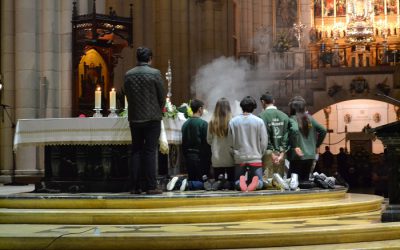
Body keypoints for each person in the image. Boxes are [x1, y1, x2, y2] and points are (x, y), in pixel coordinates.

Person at [123, 47, 165, 195]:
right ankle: (151, 186)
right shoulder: (155, 73)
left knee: (136, 151)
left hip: (135, 118)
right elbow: (162, 96)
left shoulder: (128, 75)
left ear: (137, 58)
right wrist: (159, 109)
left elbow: (126, 94)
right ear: (150, 58)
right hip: (152, 118)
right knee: (150, 151)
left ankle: (134, 187)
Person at [228, 96, 268, 192]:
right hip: (255, 157)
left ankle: (241, 182)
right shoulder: (259, 121)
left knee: (236, 181)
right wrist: (260, 153)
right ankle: (256, 183)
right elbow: (264, 141)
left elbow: (230, 141)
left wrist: (233, 152)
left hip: (239, 157)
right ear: (254, 107)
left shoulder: (233, 121)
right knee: (261, 183)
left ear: (242, 107)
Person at [287, 96, 327, 188]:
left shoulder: (292, 118)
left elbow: (294, 130)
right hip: (310, 156)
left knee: (292, 183)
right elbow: (323, 130)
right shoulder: (310, 118)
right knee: (305, 182)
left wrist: (296, 146)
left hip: (297, 157)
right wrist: (317, 145)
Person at [258, 92, 290, 183]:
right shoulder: (284, 116)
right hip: (281, 154)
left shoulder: (261, 116)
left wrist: (271, 153)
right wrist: (282, 153)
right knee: (280, 183)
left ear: (263, 102)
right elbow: (286, 137)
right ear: (274, 101)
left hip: (268, 154)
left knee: (268, 182)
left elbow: (264, 136)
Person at [181, 99, 212, 186]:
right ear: (200, 109)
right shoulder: (203, 124)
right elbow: (206, 144)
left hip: (188, 157)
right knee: (203, 184)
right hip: (200, 158)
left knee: (192, 180)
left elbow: (183, 143)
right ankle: (182, 184)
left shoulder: (185, 124)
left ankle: (184, 184)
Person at [207, 97, 235, 190]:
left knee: (218, 186)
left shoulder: (211, 122)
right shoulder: (233, 121)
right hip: (230, 157)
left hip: (217, 158)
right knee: (232, 185)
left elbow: (209, 140)